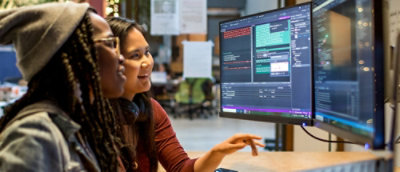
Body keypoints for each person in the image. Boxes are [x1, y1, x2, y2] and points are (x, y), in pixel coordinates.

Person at [107, 17, 265, 172]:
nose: (147, 62)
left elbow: (181, 168)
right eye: (135, 55)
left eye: (147, 52)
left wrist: (217, 152)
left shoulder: (151, 110)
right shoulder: (95, 121)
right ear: (109, 62)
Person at [0, 2, 126, 171]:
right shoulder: (34, 134)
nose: (121, 57)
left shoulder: (76, 125)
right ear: (76, 57)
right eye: (110, 43)